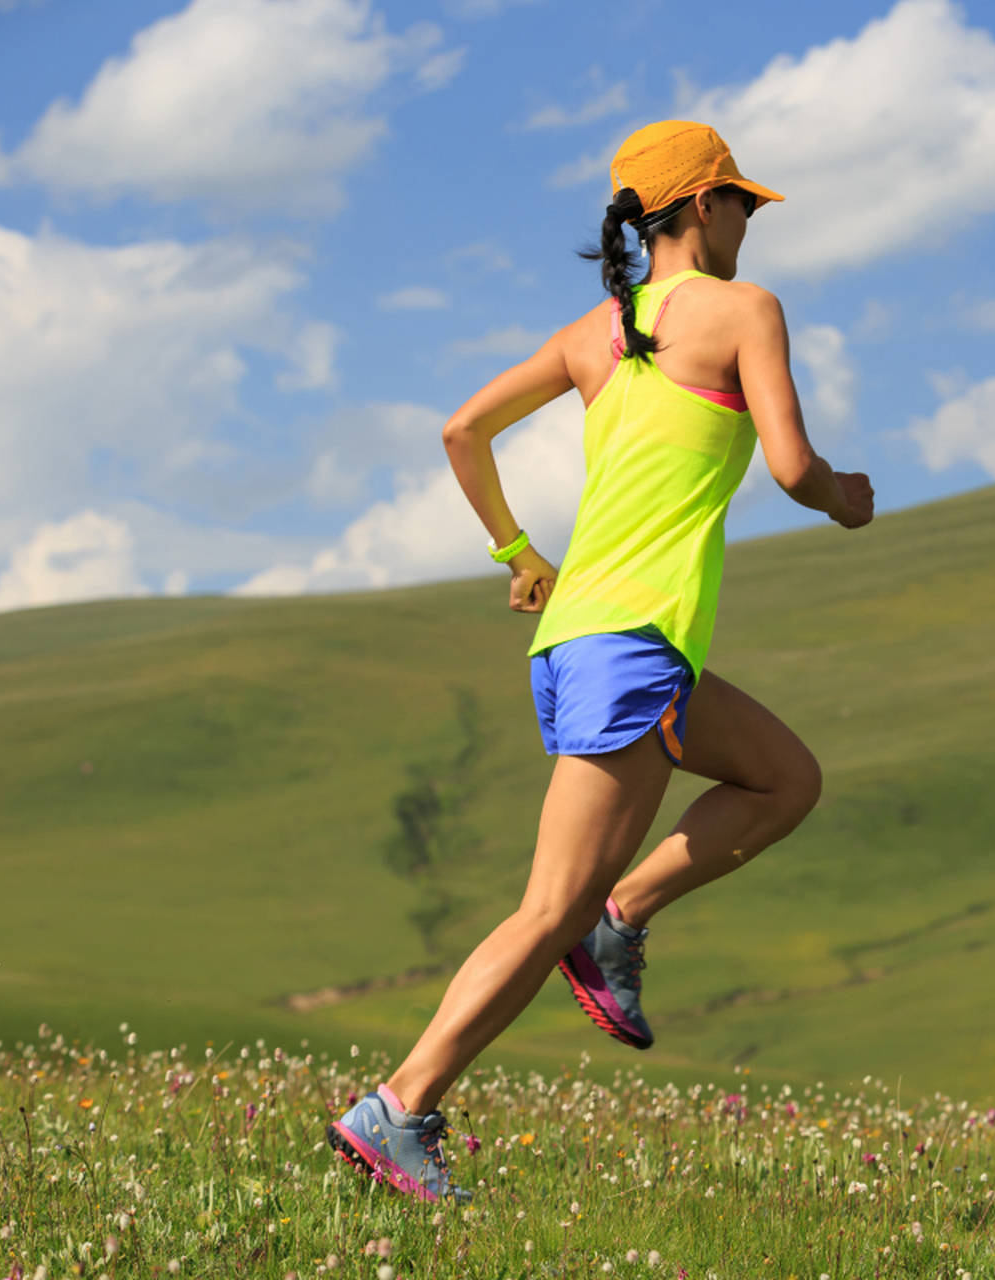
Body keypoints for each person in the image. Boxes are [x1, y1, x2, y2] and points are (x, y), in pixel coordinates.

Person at [325, 120, 876, 1202]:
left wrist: (519, 554)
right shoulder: (745, 312)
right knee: (545, 910)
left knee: (785, 778)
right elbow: (791, 461)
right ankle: (398, 1106)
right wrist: (845, 497)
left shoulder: (594, 335)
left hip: (588, 634)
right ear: (703, 205)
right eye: (743, 205)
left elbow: (461, 430)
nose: (750, 227)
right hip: (632, 644)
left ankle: (620, 921)